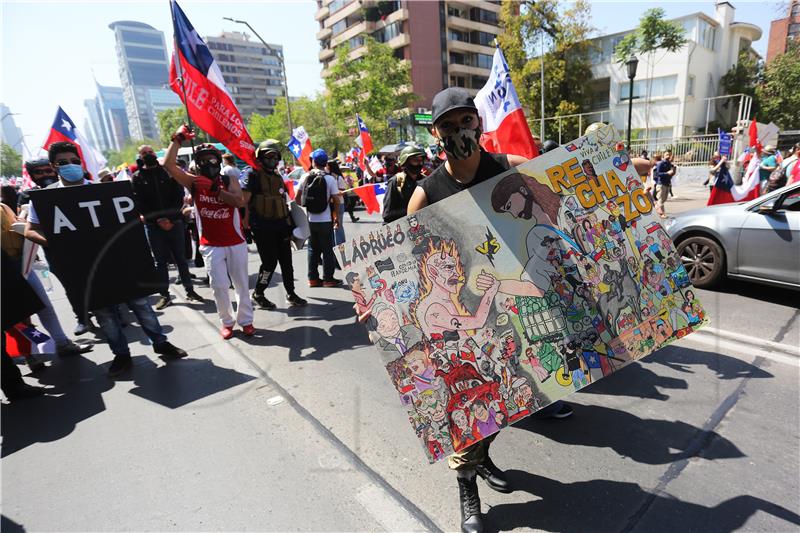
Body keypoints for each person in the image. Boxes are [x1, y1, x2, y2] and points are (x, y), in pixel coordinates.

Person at [406, 87, 573, 533]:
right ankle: (468, 489)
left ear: (479, 124)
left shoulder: (505, 167)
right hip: (461, 317)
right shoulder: (426, 193)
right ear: (436, 133)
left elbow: (558, 183)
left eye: (466, 122)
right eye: (448, 125)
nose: (459, 132)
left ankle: (481, 460)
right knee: (471, 403)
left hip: (509, 304)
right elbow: (410, 259)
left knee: (513, 395)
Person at [24, 141, 187, 376]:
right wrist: (58, 242)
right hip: (87, 269)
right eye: (63, 162)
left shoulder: (102, 190)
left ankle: (161, 343)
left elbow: (129, 217)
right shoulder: (45, 200)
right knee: (105, 314)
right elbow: (31, 230)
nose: (70, 165)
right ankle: (121, 355)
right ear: (54, 167)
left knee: (141, 305)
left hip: (120, 262)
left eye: (74, 161)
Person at [163, 126, 255, 340]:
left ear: (218, 161)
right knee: (219, 286)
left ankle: (246, 320)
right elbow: (168, 165)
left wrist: (215, 190)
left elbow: (238, 201)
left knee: (241, 283)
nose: (208, 164)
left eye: (212, 159)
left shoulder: (228, 178)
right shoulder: (193, 183)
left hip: (235, 241)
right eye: (203, 160)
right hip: (210, 244)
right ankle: (227, 322)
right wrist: (178, 139)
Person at [18, 157, 97, 335]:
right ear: (32, 175)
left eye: (48, 170)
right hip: (57, 252)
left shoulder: (68, 189)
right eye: (39, 172)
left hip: (88, 246)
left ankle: (107, 313)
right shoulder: (28, 196)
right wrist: (53, 242)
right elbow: (27, 227)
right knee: (72, 286)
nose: (45, 175)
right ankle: (83, 318)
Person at [2, 200, 90, 360]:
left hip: (22, 264)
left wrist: (22, 218)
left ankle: (62, 343)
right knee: (16, 314)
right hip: (3, 270)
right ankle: (29, 355)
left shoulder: (3, 208)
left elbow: (18, 227)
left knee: (44, 306)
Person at [132, 144, 203, 309]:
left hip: (175, 223)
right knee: (160, 262)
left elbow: (178, 197)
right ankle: (165, 295)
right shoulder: (136, 177)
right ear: (140, 157)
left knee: (181, 259)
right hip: (153, 226)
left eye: (150, 152)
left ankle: (190, 290)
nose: (148, 154)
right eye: (144, 153)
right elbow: (139, 203)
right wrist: (158, 220)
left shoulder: (169, 172)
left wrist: (169, 219)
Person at [241, 139, 307, 310]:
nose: (272, 161)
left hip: (281, 225)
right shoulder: (252, 174)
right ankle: (258, 293)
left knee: (287, 261)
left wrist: (291, 226)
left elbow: (284, 203)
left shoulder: (277, 177)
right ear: (260, 157)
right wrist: (246, 227)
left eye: (274, 157)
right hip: (262, 227)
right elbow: (243, 202)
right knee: (269, 263)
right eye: (268, 157)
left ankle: (291, 293)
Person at [296, 148, 341, 288]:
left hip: (310, 220)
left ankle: (313, 279)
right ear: (325, 162)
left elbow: (297, 199)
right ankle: (328, 279)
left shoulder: (305, 177)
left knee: (312, 249)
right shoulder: (330, 179)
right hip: (325, 220)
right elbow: (336, 200)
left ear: (313, 161)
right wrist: (337, 217)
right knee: (327, 249)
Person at [382, 144, 426, 223]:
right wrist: (412, 210)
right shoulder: (396, 181)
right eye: (415, 161)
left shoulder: (425, 180)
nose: (420, 164)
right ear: (406, 162)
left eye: (421, 161)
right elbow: (387, 214)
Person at [327, 159, 348, 245]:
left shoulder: (339, 178)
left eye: (327, 166)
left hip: (339, 204)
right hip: (331, 204)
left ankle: (341, 244)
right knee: (332, 226)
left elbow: (343, 191)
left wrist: (335, 192)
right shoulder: (329, 177)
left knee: (338, 225)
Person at [653, 150, 675, 218]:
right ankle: (662, 214)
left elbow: (671, 174)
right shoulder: (661, 163)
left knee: (664, 199)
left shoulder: (669, 164)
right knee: (661, 200)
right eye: (667, 154)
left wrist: (672, 173)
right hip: (661, 184)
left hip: (667, 184)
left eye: (669, 155)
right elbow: (657, 174)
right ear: (664, 155)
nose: (668, 156)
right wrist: (667, 173)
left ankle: (656, 208)